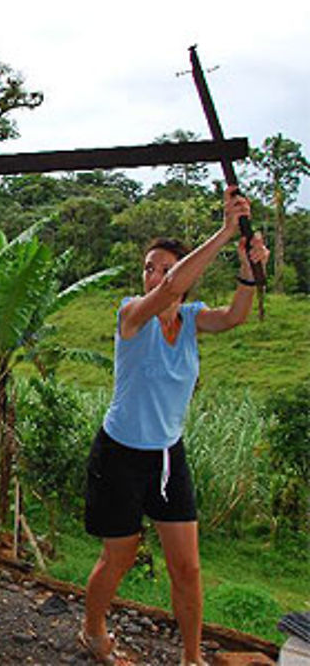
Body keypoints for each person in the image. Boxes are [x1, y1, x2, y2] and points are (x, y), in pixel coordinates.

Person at [79, 187, 270, 666]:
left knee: (187, 567)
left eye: (165, 266)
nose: (155, 275)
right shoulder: (130, 315)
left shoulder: (190, 318)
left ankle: (191, 658)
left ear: (186, 275)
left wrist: (248, 271)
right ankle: (93, 630)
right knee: (117, 558)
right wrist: (228, 231)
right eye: (149, 266)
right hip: (120, 453)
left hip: (167, 456)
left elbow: (234, 316)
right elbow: (165, 292)